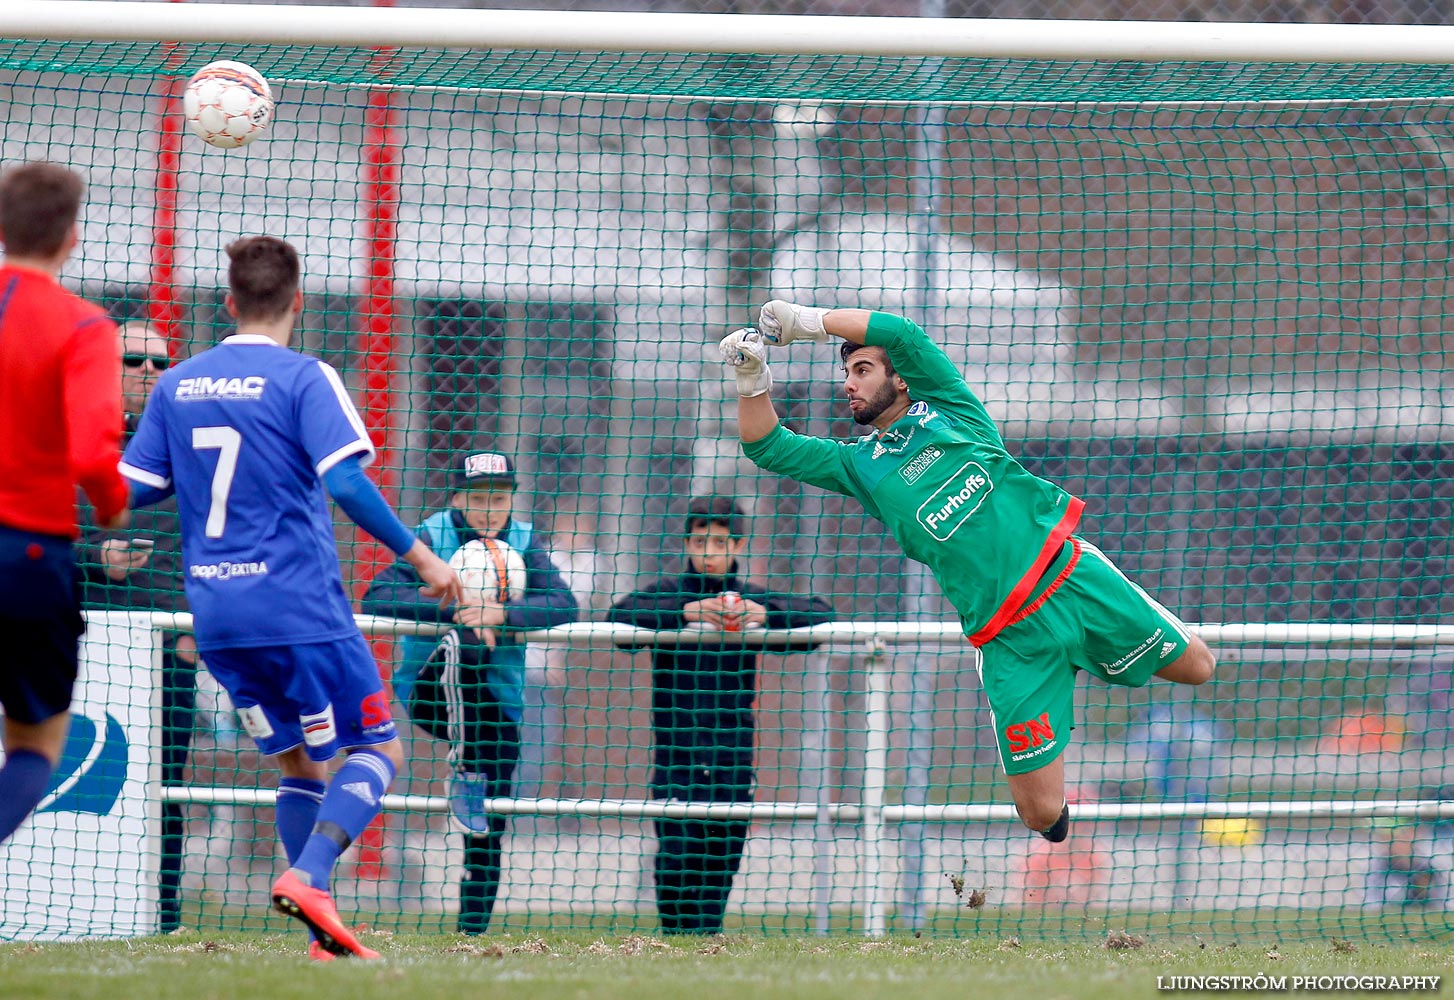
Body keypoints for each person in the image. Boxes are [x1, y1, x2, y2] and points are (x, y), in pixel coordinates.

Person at [720, 301, 1216, 843]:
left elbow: (898, 331)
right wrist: (752, 380)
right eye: (846, 374)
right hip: (1010, 640)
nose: (850, 385)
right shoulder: (858, 465)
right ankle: (1058, 691)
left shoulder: (949, 406)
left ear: (901, 377)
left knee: (1198, 668)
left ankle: (1100, 644)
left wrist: (806, 323)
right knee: (1042, 816)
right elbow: (768, 447)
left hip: (1072, 580)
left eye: (862, 370)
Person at [119, 235, 461, 960]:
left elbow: (129, 492)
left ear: (229, 303)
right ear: (297, 302)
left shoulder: (177, 386)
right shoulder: (307, 377)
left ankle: (318, 933)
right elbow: (343, 482)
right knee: (377, 747)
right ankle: (309, 876)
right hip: (298, 607)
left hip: (216, 618)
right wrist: (422, 557)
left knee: (301, 765)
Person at [361, 450, 578, 935]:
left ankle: (470, 934)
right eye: (478, 498)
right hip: (430, 691)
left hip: (499, 703)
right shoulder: (432, 536)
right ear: (458, 496)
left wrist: (503, 615)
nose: (489, 510)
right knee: (464, 641)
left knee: (487, 828)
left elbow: (565, 603)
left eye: (499, 499)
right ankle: (463, 768)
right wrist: (454, 612)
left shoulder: (523, 541)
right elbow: (377, 596)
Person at [607, 496, 834, 935]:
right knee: (675, 857)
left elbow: (822, 617)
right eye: (698, 540)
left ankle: (706, 943)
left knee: (722, 857)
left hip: (733, 756)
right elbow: (619, 620)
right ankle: (675, 939)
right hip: (675, 758)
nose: (707, 551)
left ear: (738, 545)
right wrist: (686, 612)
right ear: (686, 542)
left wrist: (765, 615)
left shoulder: (750, 600)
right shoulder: (668, 596)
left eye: (718, 541)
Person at [0, 161, 130, 846]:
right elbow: (90, 453)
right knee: (33, 745)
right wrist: (111, 505)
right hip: (28, 554)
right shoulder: (82, 326)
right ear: (71, 237)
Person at [77, 319, 197, 933]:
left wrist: (197, 623)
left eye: (160, 363)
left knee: (162, 792)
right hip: (75, 653)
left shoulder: (191, 454)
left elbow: (217, 545)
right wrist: (95, 558)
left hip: (163, 659)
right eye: (134, 361)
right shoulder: (65, 444)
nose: (148, 372)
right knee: (64, 786)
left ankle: (163, 918)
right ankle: (54, 907)